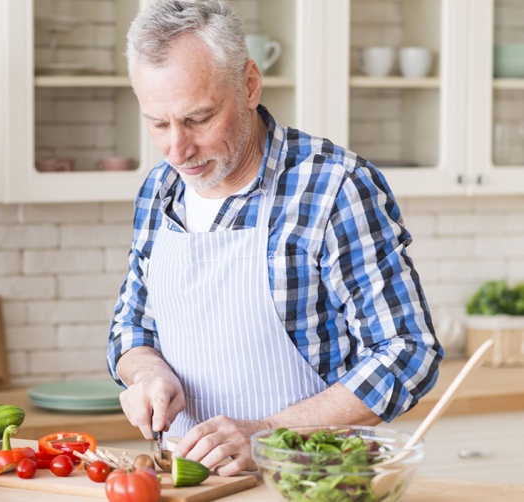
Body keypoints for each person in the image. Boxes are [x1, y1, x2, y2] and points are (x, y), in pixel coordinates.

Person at [108, 0, 443, 475]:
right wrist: (147, 373)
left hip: (310, 479)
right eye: (158, 123)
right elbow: (132, 326)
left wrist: (267, 432)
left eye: (199, 118)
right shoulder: (160, 190)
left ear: (248, 84)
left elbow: (408, 353)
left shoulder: (333, 187)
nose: (177, 149)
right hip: (185, 479)